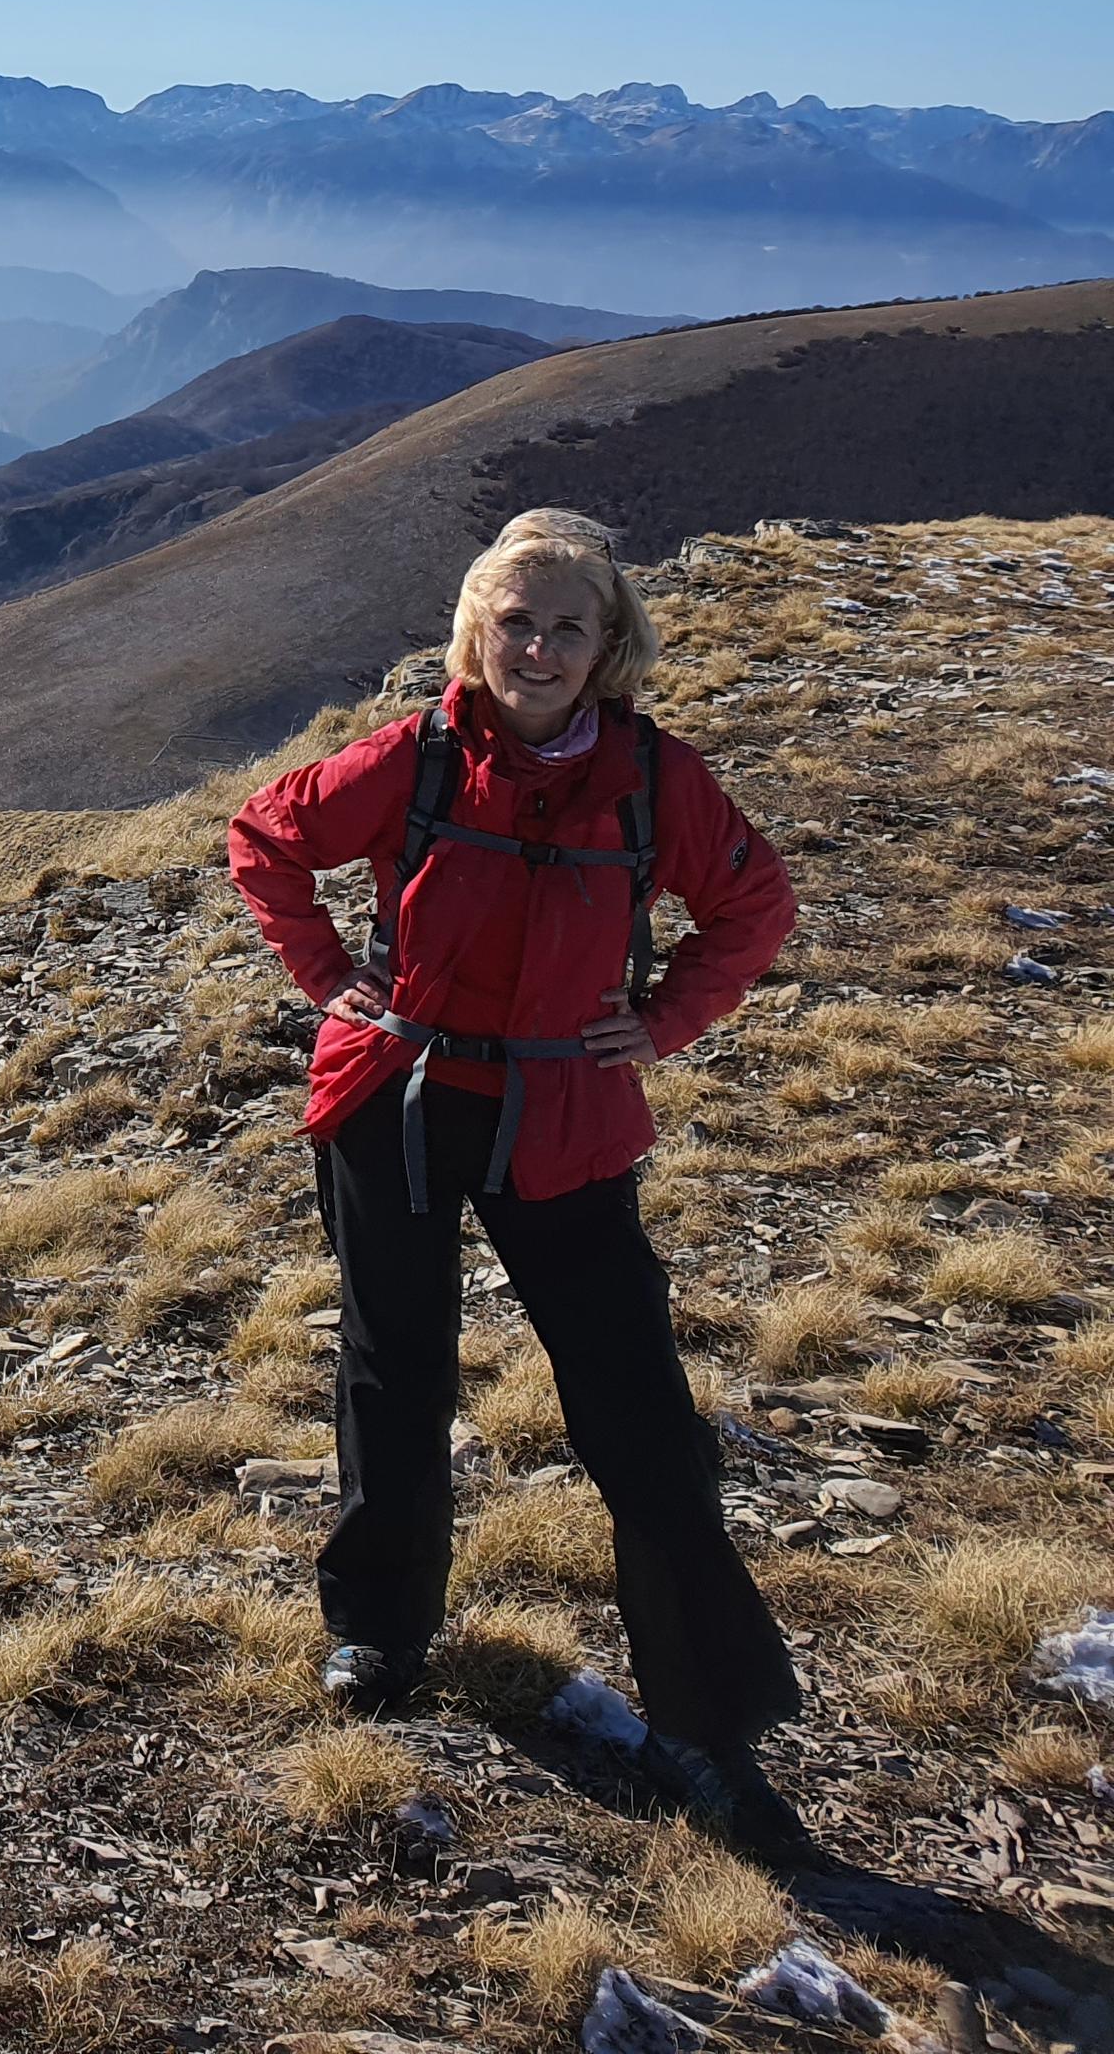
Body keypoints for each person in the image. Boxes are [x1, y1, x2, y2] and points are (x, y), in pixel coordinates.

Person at [227, 507, 808, 1856]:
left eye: (566, 627)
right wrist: (331, 980)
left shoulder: (658, 781)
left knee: (641, 1418)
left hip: (566, 1114)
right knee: (396, 1368)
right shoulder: (414, 760)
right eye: (514, 621)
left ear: (610, 645)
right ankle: (378, 1630)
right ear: (474, 628)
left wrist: (661, 1023)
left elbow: (753, 901)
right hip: (401, 1101)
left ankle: (704, 1727)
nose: (537, 648)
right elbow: (265, 837)